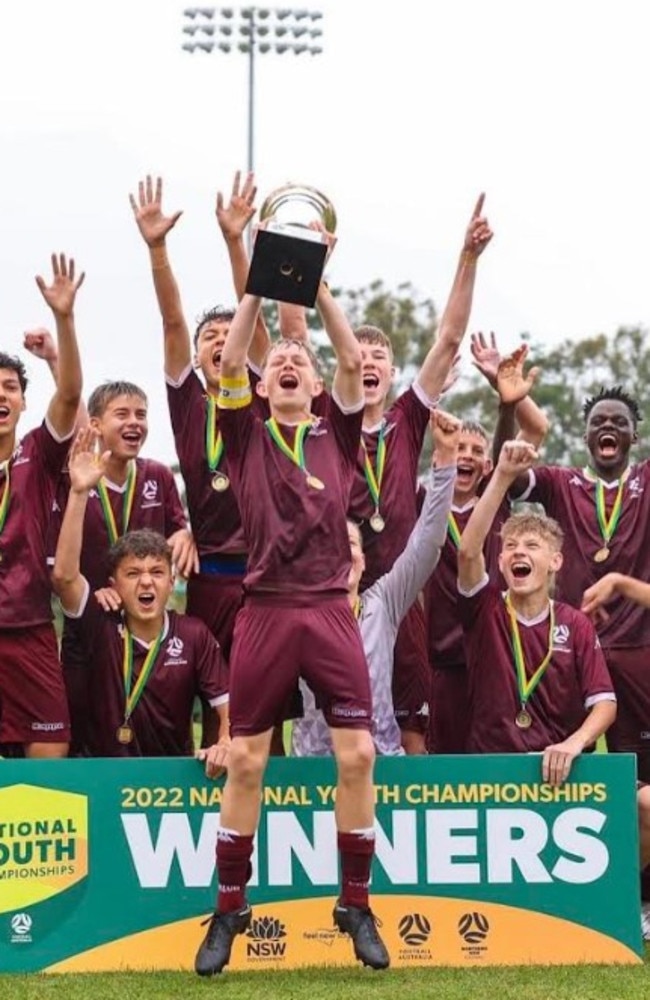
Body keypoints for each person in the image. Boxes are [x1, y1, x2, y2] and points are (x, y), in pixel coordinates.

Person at [194, 262, 389, 975]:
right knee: (246, 760)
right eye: (274, 357)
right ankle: (228, 908)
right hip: (267, 610)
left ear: (313, 386)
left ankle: (356, 905)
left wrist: (319, 282)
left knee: (359, 755)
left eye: (296, 359)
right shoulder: (242, 432)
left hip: (329, 609)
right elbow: (235, 359)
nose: (286, 359)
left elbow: (345, 354)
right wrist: (256, 285)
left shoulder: (338, 432)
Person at [342, 196, 493, 755]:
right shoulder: (328, 423)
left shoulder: (409, 417)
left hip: (401, 594)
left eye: (380, 357)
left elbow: (449, 338)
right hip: (338, 594)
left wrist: (468, 256)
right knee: (320, 725)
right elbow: (285, 333)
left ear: (393, 372)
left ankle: (406, 839)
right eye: (359, 356)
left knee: (409, 734)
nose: (370, 363)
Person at [129, 174, 270, 745]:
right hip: (211, 577)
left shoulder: (260, 398)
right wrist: (158, 250)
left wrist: (236, 244)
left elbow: (253, 318)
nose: (218, 340)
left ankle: (272, 806)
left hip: (265, 577)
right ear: (196, 355)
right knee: (213, 710)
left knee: (265, 712)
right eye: (208, 335)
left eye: (225, 332)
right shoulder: (187, 403)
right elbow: (171, 323)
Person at [51, 427, 230, 759]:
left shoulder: (194, 635)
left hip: (166, 788)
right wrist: (78, 493)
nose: (146, 582)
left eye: (157, 573)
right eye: (133, 574)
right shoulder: (98, 619)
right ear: (114, 584)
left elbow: (228, 708)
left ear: (171, 578)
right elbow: (63, 577)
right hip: (101, 784)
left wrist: (225, 742)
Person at [293, 409, 460, 756]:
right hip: (313, 773)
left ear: (364, 560)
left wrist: (444, 460)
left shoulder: (382, 601)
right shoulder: (296, 610)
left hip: (381, 761)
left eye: (350, 545)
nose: (342, 554)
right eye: (332, 545)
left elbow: (426, 544)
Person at [457, 438, 617, 776]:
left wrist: (574, 743)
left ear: (555, 561)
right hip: (492, 772)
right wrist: (501, 475)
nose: (519, 552)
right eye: (511, 546)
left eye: (532, 546)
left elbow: (605, 703)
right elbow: (469, 552)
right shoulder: (483, 609)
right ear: (500, 562)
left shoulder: (575, 624)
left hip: (559, 773)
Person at [425, 336, 548, 752]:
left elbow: (532, 433)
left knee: (494, 756)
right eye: (459, 447)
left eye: (476, 451)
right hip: (441, 657)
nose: (467, 455)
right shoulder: (424, 501)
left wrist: (505, 398)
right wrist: (429, 399)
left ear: (487, 465)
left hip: (497, 654)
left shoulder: (495, 503)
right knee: (442, 764)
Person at [0, 253, 83, 758]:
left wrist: (64, 319)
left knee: (51, 757)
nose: (1, 395)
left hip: (30, 627)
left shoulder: (37, 451)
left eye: (10, 387)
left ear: (23, 402)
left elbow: (71, 393)